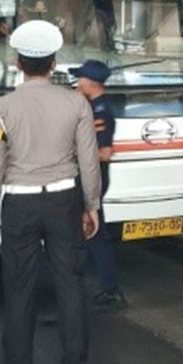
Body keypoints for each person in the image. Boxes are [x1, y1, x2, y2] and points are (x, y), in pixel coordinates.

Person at [0, 21, 102, 364]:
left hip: (20, 203)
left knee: (19, 291)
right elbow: (88, 161)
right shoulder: (76, 103)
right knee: (70, 284)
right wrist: (91, 205)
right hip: (64, 200)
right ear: (53, 63)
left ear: (17, 63)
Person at [70, 59, 125, 307]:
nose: (77, 82)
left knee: (93, 232)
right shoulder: (91, 105)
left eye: (80, 79)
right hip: (89, 175)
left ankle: (111, 290)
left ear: (91, 82)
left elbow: (104, 152)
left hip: (92, 177)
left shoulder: (99, 111)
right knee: (86, 232)